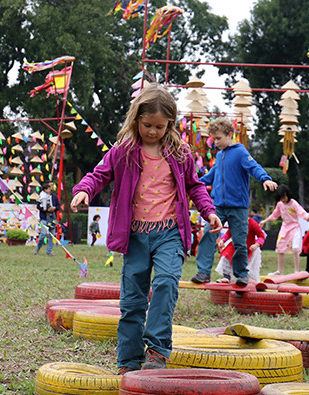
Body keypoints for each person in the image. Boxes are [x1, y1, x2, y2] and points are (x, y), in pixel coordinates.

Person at [70, 83, 221, 375]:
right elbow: (99, 174)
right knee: (132, 299)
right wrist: (84, 190)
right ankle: (128, 360)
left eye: (160, 127)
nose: (153, 131)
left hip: (169, 233)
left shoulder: (180, 153)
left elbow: (194, 185)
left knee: (165, 283)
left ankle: (157, 351)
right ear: (136, 119)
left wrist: (209, 211)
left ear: (170, 125)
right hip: (136, 235)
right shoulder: (123, 151)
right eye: (147, 125)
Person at [191, 117, 277, 287]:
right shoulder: (221, 155)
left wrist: (265, 179)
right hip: (218, 207)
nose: (215, 143)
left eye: (218, 138)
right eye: (213, 139)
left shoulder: (240, 152)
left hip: (237, 206)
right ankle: (203, 272)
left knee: (239, 241)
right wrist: (193, 183)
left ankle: (241, 274)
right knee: (209, 233)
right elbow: (210, 176)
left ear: (230, 134)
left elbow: (254, 167)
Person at [260, 184, 309, 275]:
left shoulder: (293, 203)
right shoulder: (280, 204)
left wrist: (306, 217)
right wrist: (265, 221)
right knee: (280, 248)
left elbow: (300, 211)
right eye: (281, 198)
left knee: (295, 248)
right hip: (285, 228)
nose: (283, 200)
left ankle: (296, 271)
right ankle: (280, 271)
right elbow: (274, 214)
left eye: (284, 197)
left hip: (295, 227)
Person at [215, 216, 266, 283]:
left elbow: (261, 236)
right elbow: (228, 233)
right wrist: (222, 240)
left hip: (249, 247)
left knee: (246, 262)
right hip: (234, 245)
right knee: (225, 256)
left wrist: (256, 244)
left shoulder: (253, 223)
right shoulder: (234, 222)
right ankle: (226, 276)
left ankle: (246, 277)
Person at [34, 182, 59, 255]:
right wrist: (44, 209)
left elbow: (58, 206)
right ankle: (38, 248)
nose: (51, 187)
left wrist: (54, 208)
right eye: (50, 186)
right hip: (44, 218)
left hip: (52, 218)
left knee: (52, 234)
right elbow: (38, 206)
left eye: (52, 186)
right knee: (43, 233)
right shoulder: (42, 196)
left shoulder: (54, 196)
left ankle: (49, 251)